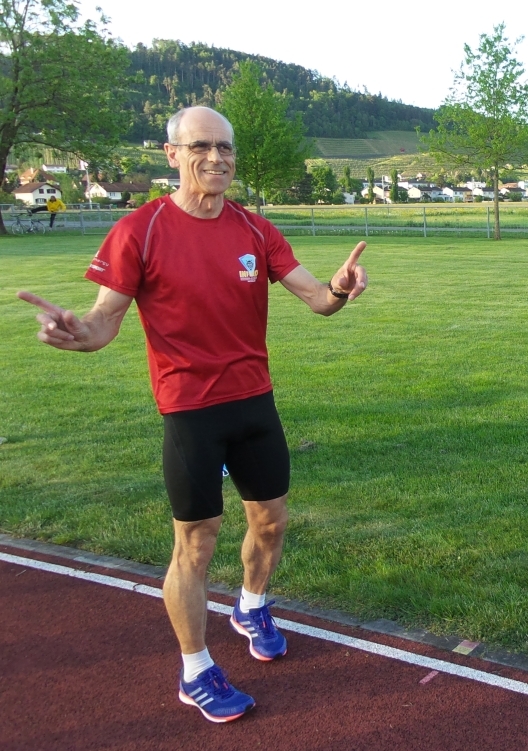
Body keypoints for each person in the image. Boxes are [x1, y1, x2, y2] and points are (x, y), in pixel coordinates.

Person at [17, 106, 368, 723]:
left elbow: (317, 300)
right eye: (201, 146)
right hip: (189, 412)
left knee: (271, 524)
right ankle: (196, 671)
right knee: (196, 544)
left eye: (225, 147)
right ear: (172, 154)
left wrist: (339, 287)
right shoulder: (139, 231)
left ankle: (251, 605)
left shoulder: (256, 231)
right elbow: (104, 322)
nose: (216, 158)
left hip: (255, 402)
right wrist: (78, 333)